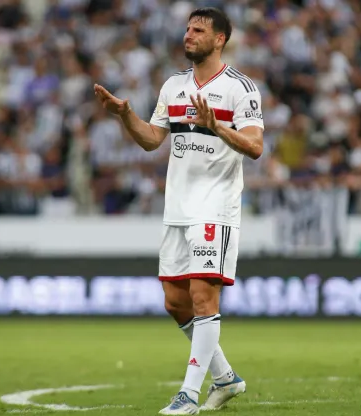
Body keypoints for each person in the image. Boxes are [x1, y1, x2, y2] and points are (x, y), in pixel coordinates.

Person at [94, 7, 264, 415]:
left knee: (205, 298)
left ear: (220, 38)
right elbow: (153, 139)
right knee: (175, 302)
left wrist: (217, 127)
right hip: (178, 208)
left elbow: (255, 146)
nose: (189, 35)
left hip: (216, 207)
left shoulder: (242, 88)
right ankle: (225, 378)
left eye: (198, 30)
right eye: (187, 29)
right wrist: (124, 116)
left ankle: (187, 395)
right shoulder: (174, 86)